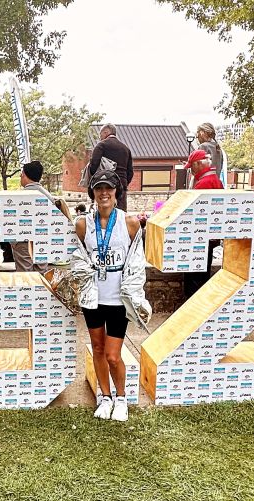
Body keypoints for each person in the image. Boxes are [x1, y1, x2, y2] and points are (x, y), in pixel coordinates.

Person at [75, 170, 142, 421]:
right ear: (92, 192)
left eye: (109, 188)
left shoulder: (130, 223)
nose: (104, 193)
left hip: (117, 299)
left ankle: (121, 398)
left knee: (114, 355)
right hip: (93, 298)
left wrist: (135, 294)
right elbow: (77, 257)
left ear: (116, 193)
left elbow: (137, 262)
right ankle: (104, 397)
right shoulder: (83, 224)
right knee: (98, 348)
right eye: (99, 188)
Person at [183, 149, 224, 298]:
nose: (191, 171)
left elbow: (193, 211)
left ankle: (192, 305)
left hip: (200, 237)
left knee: (194, 276)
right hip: (209, 236)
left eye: (192, 167)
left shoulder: (204, 183)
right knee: (203, 273)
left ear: (199, 164)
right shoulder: (215, 180)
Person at [11, 161, 57, 272]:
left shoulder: (19, 196)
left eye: (22, 174)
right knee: (41, 273)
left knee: (25, 276)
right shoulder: (48, 195)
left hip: (23, 242)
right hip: (43, 240)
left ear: (25, 175)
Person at [89, 124, 133, 211]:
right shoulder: (125, 148)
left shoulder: (101, 145)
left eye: (100, 135)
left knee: (106, 213)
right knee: (121, 214)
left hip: (105, 184)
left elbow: (93, 165)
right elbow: (130, 172)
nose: (100, 137)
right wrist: (123, 184)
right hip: (122, 184)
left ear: (105, 132)